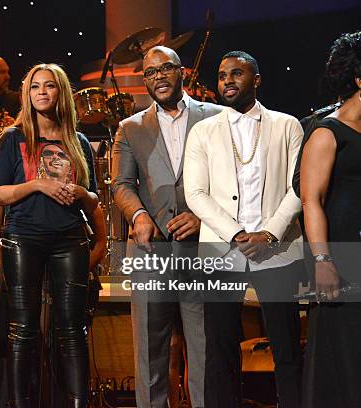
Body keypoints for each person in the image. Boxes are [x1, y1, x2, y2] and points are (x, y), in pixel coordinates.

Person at [184, 51, 304, 408]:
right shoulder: (203, 131)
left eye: (237, 74)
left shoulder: (287, 125)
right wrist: (236, 234)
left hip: (278, 250)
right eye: (222, 76)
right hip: (222, 251)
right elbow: (196, 193)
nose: (227, 81)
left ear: (256, 79)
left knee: (285, 346)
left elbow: (298, 187)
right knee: (219, 349)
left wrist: (269, 233)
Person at [111, 45, 222, 408]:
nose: (158, 77)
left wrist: (204, 215)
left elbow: (232, 181)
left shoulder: (217, 118)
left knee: (206, 354)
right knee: (150, 356)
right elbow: (122, 185)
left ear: (182, 72)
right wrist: (138, 215)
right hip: (151, 252)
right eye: (150, 72)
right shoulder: (129, 127)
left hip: (202, 250)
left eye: (165, 69)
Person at [0, 63, 99, 408]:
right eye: (35, 86)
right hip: (24, 238)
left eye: (49, 86)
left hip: (69, 239)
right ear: (27, 93)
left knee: (72, 330)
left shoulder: (77, 140)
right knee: (22, 331)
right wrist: (37, 184)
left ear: (60, 92)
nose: (41, 92)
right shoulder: (12, 138)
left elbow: (93, 197)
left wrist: (79, 192)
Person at [299, 30, 361, 408]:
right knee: (344, 348)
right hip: (342, 253)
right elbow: (311, 200)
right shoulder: (327, 131)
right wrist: (322, 260)